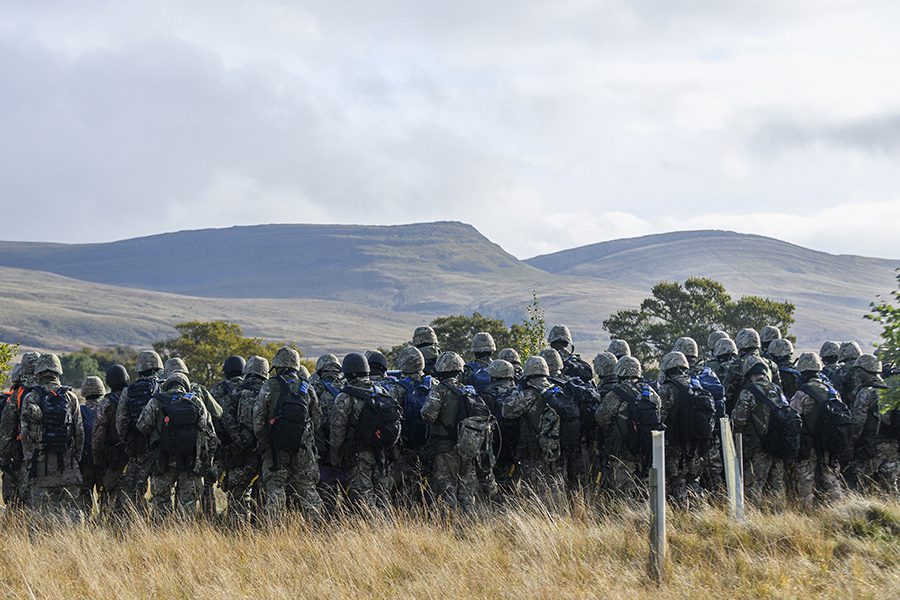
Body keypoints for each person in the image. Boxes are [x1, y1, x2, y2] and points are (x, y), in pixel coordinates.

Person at [253, 347, 322, 520]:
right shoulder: (307, 387)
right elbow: (317, 418)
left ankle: (274, 528)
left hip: (275, 446)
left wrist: (264, 440)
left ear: (277, 365)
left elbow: (258, 418)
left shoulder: (269, 386)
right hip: (302, 445)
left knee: (275, 486)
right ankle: (318, 526)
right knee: (306, 486)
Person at [136, 371, 215, 518]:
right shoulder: (196, 401)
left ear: (167, 385)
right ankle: (183, 532)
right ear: (185, 386)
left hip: (163, 459)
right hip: (190, 461)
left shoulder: (156, 401)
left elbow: (142, 426)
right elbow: (209, 432)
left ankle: (162, 531)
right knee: (188, 504)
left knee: (161, 501)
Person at [330, 353, 400, 512]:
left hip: (358, 456)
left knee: (364, 501)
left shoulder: (345, 396)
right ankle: (388, 527)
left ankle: (371, 527)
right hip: (382, 455)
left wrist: (336, 458)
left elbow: (337, 431)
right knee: (383, 499)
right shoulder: (382, 391)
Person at [19, 353, 85, 522]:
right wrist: (76, 459)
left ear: (38, 372)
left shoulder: (31, 398)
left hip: (40, 467)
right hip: (68, 467)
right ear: (58, 371)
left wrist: (29, 462)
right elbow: (79, 432)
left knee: (39, 519)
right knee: (70, 517)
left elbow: (24, 435)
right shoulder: (70, 397)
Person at [421, 351, 483, 512]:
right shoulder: (469, 391)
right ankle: (468, 523)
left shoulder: (439, 390)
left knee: (447, 490)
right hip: (468, 447)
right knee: (467, 493)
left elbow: (428, 415)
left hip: (445, 448)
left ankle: (449, 523)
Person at [730, 356, 797, 503]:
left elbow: (738, 419)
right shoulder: (777, 389)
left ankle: (754, 514)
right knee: (777, 483)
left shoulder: (748, 391)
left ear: (749, 374)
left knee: (754, 484)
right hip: (778, 443)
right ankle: (778, 513)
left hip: (758, 446)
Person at [593, 357, 662, 499]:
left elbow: (600, 418)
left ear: (619, 371)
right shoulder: (651, 393)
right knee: (643, 493)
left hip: (622, 453)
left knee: (621, 495)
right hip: (646, 451)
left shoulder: (616, 394)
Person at [789, 352, 849, 509]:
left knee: (805, 480)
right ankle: (837, 511)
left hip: (809, 444)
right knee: (831, 478)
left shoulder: (802, 393)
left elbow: (792, 417)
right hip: (830, 443)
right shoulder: (832, 391)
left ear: (803, 373)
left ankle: (807, 512)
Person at [502, 356, 563, 501]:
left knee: (534, 489)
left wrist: (517, 390)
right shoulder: (556, 389)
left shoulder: (530, 393)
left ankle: (536, 512)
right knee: (553, 484)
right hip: (555, 446)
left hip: (534, 448)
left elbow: (507, 411)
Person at [657, 352, 715, 502]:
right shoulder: (696, 385)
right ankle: (700, 511)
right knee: (694, 481)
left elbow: (660, 418)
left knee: (677, 482)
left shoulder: (667, 389)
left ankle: (682, 513)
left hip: (676, 445)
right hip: (697, 445)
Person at [221, 355, 269, 524]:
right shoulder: (270, 391)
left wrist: (238, 439)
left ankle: (238, 530)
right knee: (262, 492)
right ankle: (260, 529)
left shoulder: (237, 391)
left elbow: (226, 416)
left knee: (239, 492)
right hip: (265, 452)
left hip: (241, 451)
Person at [115, 350, 164, 514]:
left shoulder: (128, 391)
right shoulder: (163, 387)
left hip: (138, 448)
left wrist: (126, 441)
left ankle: (139, 522)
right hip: (160, 448)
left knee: (134, 491)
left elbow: (121, 422)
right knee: (162, 491)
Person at [389, 346, 434, 505]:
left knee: (405, 487)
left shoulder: (398, 388)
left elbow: (392, 417)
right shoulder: (434, 384)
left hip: (406, 447)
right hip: (430, 445)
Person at [850, 354, 898, 493]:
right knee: (889, 485)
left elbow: (858, 422)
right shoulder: (890, 390)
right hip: (893, 445)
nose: (857, 374)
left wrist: (852, 441)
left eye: (859, 371)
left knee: (858, 481)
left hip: (872, 445)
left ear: (867, 370)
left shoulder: (866, 392)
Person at [0, 352, 39, 510]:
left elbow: (6, 432)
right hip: (49, 455)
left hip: (19, 455)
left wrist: (4, 460)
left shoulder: (17, 394)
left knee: (15, 501)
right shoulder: (52, 391)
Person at [91, 364, 130, 518]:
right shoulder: (133, 398)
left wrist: (97, 459)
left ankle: (108, 524)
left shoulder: (106, 403)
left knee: (108, 497)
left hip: (113, 459)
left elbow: (98, 435)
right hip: (134, 456)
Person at [309, 353, 345, 514]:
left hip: (323, 451)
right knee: (354, 500)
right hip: (348, 450)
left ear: (320, 370)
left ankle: (328, 522)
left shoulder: (314, 389)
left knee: (327, 496)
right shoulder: (349, 387)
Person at [78, 375, 105, 515]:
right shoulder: (107, 408)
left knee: (84, 498)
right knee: (105, 499)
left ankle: (84, 524)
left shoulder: (79, 410)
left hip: (85, 463)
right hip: (104, 463)